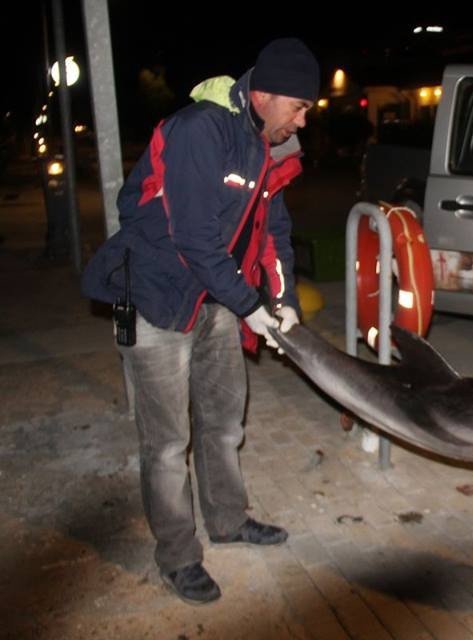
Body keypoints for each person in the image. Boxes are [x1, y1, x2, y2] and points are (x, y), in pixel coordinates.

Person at [82, 38, 320, 604]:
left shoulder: (272, 145)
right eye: (298, 106)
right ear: (262, 95)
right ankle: (178, 557)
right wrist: (252, 307)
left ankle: (229, 520)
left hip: (215, 299)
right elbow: (194, 238)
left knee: (224, 421)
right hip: (158, 301)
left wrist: (281, 300)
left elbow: (275, 233)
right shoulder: (199, 131)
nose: (303, 119)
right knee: (167, 443)